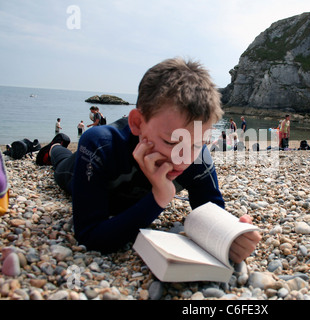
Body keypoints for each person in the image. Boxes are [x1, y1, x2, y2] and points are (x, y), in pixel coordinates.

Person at [36, 58, 261, 261]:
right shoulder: (99, 145)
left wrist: (232, 236)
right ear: (137, 123)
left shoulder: (198, 158)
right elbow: (90, 235)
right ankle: (55, 146)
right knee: (60, 163)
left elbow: (212, 211)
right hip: (75, 172)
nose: (182, 159)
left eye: (196, 143)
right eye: (171, 142)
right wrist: (159, 197)